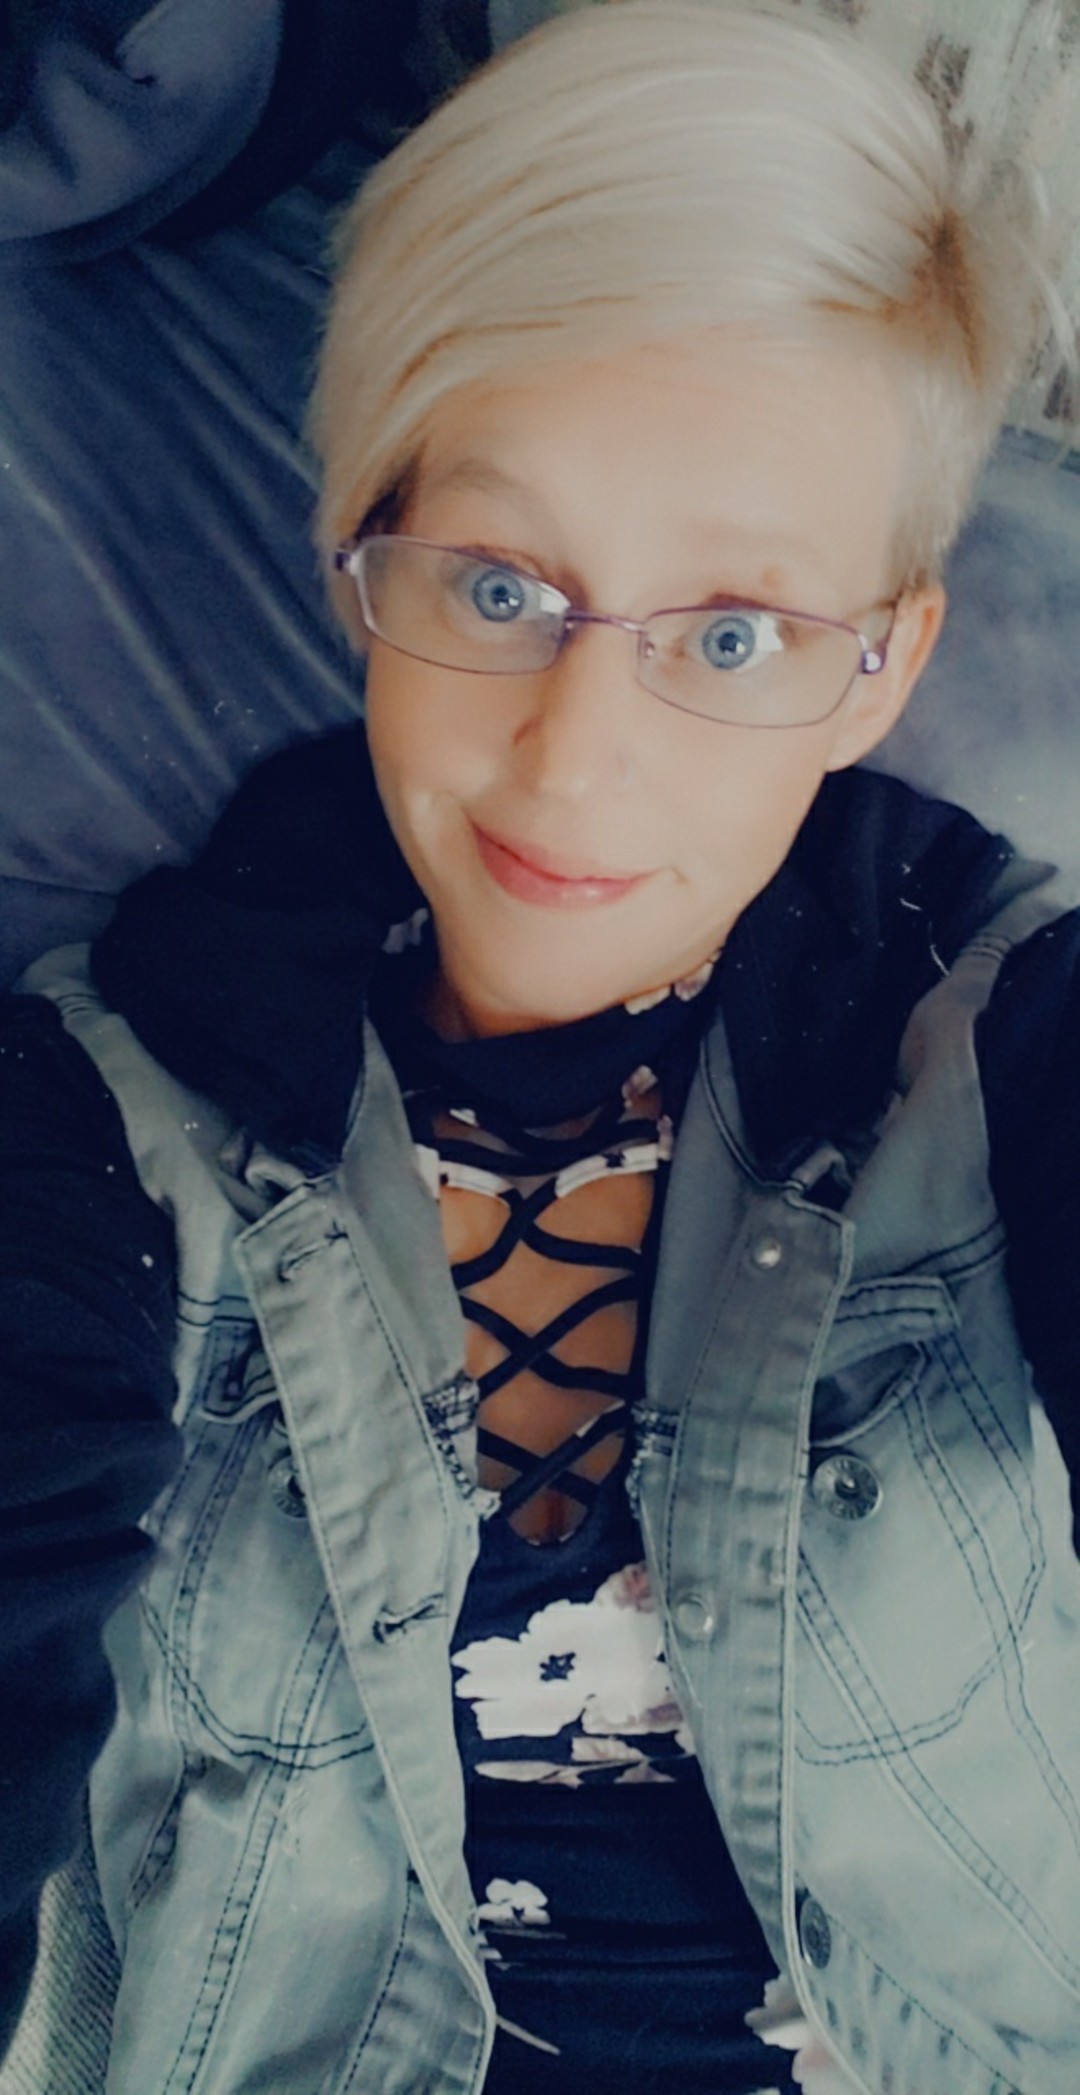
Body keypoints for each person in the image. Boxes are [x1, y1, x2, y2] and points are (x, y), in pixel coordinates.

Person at [2, 2, 1079, 2088]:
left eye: (735, 633)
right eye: (499, 586)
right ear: (361, 552)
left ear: (883, 667)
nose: (574, 763)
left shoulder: (1003, 1038)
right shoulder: (104, 1115)